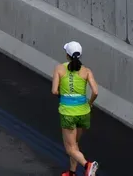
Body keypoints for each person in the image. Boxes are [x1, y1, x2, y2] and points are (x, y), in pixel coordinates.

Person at [53, 41, 99, 176]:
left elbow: (54, 91)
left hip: (68, 113)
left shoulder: (59, 69)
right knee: (75, 144)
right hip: (84, 112)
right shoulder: (87, 71)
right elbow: (95, 92)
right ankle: (72, 173)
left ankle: (88, 165)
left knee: (70, 148)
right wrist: (89, 103)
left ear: (67, 55)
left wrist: (65, 95)